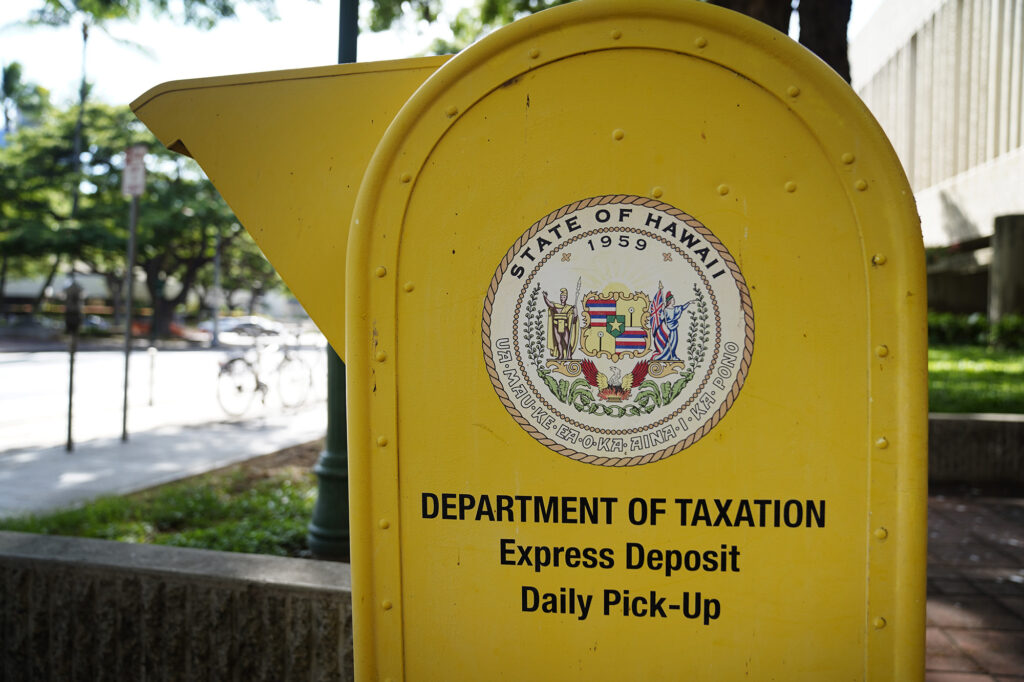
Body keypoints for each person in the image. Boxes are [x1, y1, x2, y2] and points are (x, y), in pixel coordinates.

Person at [653, 292, 692, 362]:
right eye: (673, 300)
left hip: (674, 328)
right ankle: (666, 355)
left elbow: (682, 307)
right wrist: (662, 310)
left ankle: (672, 355)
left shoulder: (675, 309)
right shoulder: (666, 310)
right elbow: (661, 318)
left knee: (675, 342)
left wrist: (689, 303)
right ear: (670, 301)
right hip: (668, 329)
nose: (674, 301)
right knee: (670, 343)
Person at [543, 287, 579, 361]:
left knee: (567, 342)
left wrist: (575, 310)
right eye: (561, 297)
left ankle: (569, 355)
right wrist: (545, 297)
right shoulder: (556, 306)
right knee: (558, 342)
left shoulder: (569, 307)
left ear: (566, 298)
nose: (562, 298)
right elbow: (549, 304)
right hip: (556, 326)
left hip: (565, 326)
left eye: (564, 297)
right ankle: (561, 355)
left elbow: (574, 317)